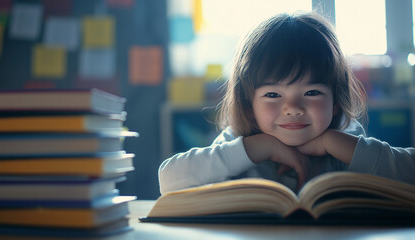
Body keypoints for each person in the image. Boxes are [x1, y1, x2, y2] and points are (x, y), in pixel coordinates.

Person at [159, 11, 415, 194]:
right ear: (249, 105)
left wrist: (337, 144)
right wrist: (258, 149)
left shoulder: (344, 137)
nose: (292, 108)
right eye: (273, 95)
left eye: (312, 92)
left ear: (336, 102)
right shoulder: (240, 143)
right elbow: (168, 179)